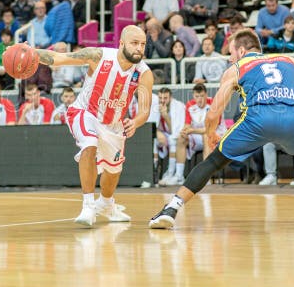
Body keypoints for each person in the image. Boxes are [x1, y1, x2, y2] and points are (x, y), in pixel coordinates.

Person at [149, 30, 294, 229]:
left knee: (214, 161)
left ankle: (171, 208)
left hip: (258, 119)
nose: (230, 58)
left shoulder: (237, 68)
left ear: (241, 51)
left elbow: (214, 111)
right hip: (293, 117)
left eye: (231, 53)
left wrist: (211, 133)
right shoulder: (288, 61)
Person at [31, 26, 154, 226]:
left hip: (113, 124)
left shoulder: (144, 73)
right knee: (89, 144)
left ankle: (106, 203)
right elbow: (59, 58)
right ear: (121, 43)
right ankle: (88, 206)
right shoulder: (99, 56)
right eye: (134, 43)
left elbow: (145, 110)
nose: (139, 48)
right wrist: (32, 53)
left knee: (113, 171)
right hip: (85, 112)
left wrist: (136, 121)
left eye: (142, 44)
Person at [158, 84, 214, 187]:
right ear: (193, 96)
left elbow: (211, 130)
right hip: (197, 135)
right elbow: (187, 125)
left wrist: (192, 130)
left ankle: (207, 177)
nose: (199, 99)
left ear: (206, 95)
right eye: (197, 96)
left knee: (206, 136)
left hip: (215, 136)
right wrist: (185, 131)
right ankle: (179, 176)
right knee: (181, 138)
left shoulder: (214, 104)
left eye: (202, 96)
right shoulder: (189, 105)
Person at [155, 87, 186, 183]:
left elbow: (175, 131)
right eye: (160, 98)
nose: (162, 100)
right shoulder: (155, 106)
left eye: (165, 98)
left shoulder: (178, 106)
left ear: (170, 98)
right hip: (165, 135)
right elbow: (153, 126)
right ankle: (154, 174)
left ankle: (171, 173)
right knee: (153, 140)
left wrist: (165, 116)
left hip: (179, 134)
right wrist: (158, 132)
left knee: (173, 140)